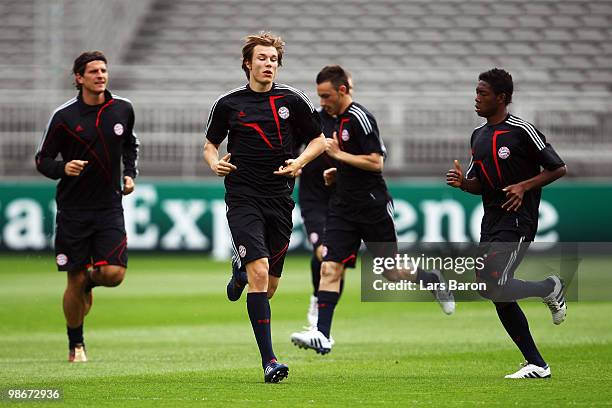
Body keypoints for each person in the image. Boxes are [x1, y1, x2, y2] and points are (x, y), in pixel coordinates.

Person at [290, 65, 454, 355]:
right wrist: (336, 173)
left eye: (326, 95)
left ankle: (431, 279)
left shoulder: (360, 118)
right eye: (319, 96)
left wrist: (338, 156)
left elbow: (375, 162)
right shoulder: (331, 119)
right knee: (330, 265)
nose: (322, 101)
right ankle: (323, 334)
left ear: (342, 91)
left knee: (390, 272)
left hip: (371, 205)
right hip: (342, 206)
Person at [203, 32, 325, 383]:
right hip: (243, 197)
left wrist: (299, 160)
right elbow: (210, 145)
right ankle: (270, 361)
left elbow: (319, 140)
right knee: (260, 275)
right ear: (248, 63)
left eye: (273, 59)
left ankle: (240, 271)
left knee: (267, 287)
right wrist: (214, 163)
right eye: (262, 58)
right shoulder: (228, 104)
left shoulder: (292, 100)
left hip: (280, 198)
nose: (268, 64)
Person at [446, 68, 567, 379]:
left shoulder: (522, 130)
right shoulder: (479, 135)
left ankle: (549, 289)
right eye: (476, 92)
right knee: (493, 289)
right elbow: (478, 184)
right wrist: (463, 183)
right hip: (492, 218)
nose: (476, 98)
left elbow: (558, 168)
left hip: (518, 218)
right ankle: (537, 363)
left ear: (501, 98)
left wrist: (524, 186)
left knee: (494, 283)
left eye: (482, 93)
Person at [35, 51, 139, 362]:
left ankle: (89, 282)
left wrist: (130, 174)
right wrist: (62, 168)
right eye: (93, 71)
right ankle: (75, 344)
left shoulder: (122, 109)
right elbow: (42, 159)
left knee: (114, 274)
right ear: (79, 78)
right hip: (73, 210)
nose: (100, 75)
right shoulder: (64, 116)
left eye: (103, 70)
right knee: (73, 278)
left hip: (109, 206)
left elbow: (131, 144)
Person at [295, 73, 355, 331]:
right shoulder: (314, 119)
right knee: (323, 251)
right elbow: (291, 146)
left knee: (335, 261)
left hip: (345, 198)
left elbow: (373, 157)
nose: (323, 100)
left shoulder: (356, 121)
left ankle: (322, 314)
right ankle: (318, 302)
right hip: (314, 198)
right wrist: (295, 163)